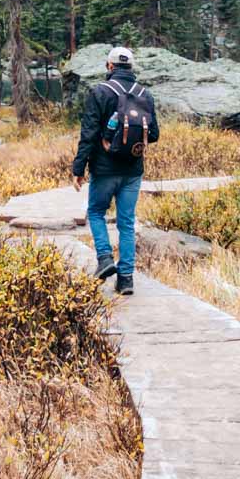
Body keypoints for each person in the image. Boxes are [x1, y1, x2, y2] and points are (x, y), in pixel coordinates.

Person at [71, 45, 159, 296]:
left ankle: (105, 258)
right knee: (127, 223)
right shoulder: (145, 94)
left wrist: (79, 168)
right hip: (133, 169)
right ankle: (126, 279)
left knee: (96, 212)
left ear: (110, 67)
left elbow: (88, 134)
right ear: (130, 67)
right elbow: (153, 134)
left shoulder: (100, 91)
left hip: (104, 168)